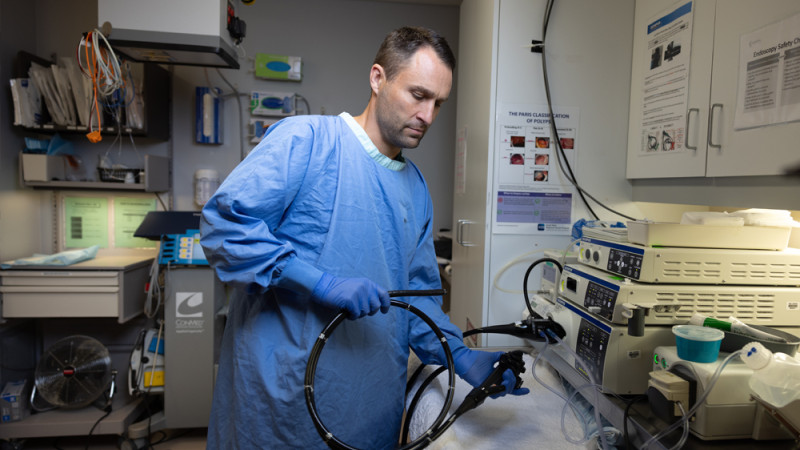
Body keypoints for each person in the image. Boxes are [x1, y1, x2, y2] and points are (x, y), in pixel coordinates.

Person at [200, 26, 529, 449]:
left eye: (438, 103)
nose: (427, 116)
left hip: (370, 407)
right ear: (378, 78)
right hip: (280, 400)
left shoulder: (415, 189)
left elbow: (417, 299)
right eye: (418, 95)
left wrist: (457, 355)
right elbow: (225, 226)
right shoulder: (308, 142)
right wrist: (319, 282)